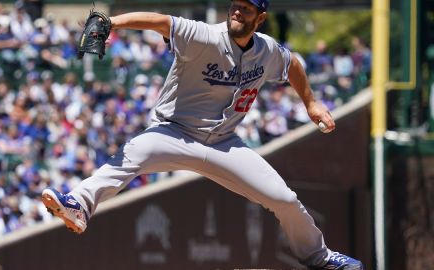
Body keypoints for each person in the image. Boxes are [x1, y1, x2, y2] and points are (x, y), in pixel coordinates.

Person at [41, 1, 364, 269]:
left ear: (260, 17)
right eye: (236, 6)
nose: (238, 12)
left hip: (224, 143)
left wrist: (311, 102)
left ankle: (319, 259)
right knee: (133, 153)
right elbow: (160, 21)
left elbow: (292, 63)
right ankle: (79, 206)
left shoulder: (266, 50)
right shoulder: (205, 35)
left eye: (247, 8)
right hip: (174, 133)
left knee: (284, 199)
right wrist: (112, 22)